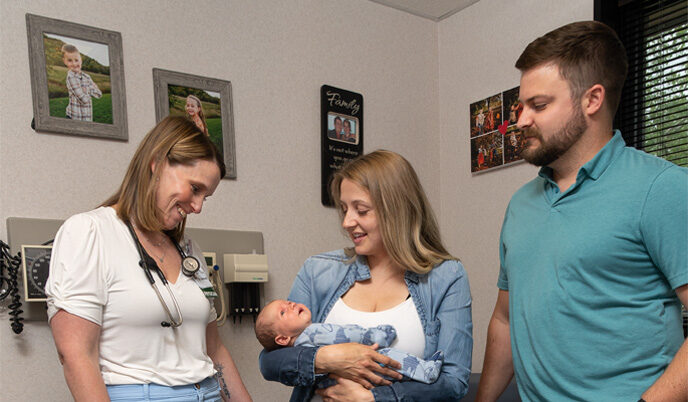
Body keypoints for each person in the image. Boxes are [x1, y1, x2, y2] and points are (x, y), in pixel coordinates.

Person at [476, 21, 688, 402]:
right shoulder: (521, 204)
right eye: (521, 106)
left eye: (539, 105)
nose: (521, 120)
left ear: (592, 100)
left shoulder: (661, 188)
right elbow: (506, 321)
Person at [45, 116, 252, 402]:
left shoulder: (188, 249)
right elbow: (76, 355)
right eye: (195, 189)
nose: (198, 206)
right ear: (157, 163)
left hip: (208, 393)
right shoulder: (90, 232)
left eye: (206, 196)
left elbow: (214, 349)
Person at [259, 150, 473, 401]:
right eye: (344, 209)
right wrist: (329, 358)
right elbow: (271, 361)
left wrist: (373, 399)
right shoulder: (318, 271)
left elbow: (453, 382)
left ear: (396, 210)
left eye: (361, 210)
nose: (347, 222)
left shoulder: (446, 277)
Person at [255, 300, 444, 385]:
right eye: (283, 312)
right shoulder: (313, 333)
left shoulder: (300, 347)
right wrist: (376, 335)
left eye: (288, 302)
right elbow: (348, 334)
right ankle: (425, 371)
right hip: (370, 363)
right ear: (282, 339)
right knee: (390, 357)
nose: (291, 305)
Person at [61, 44, 102, 121]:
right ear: (65, 61)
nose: (74, 64)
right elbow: (84, 100)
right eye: (70, 60)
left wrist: (85, 89)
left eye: (76, 60)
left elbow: (98, 94)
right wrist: (90, 88)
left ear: (81, 60)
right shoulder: (71, 78)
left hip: (87, 119)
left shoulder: (87, 77)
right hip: (74, 118)